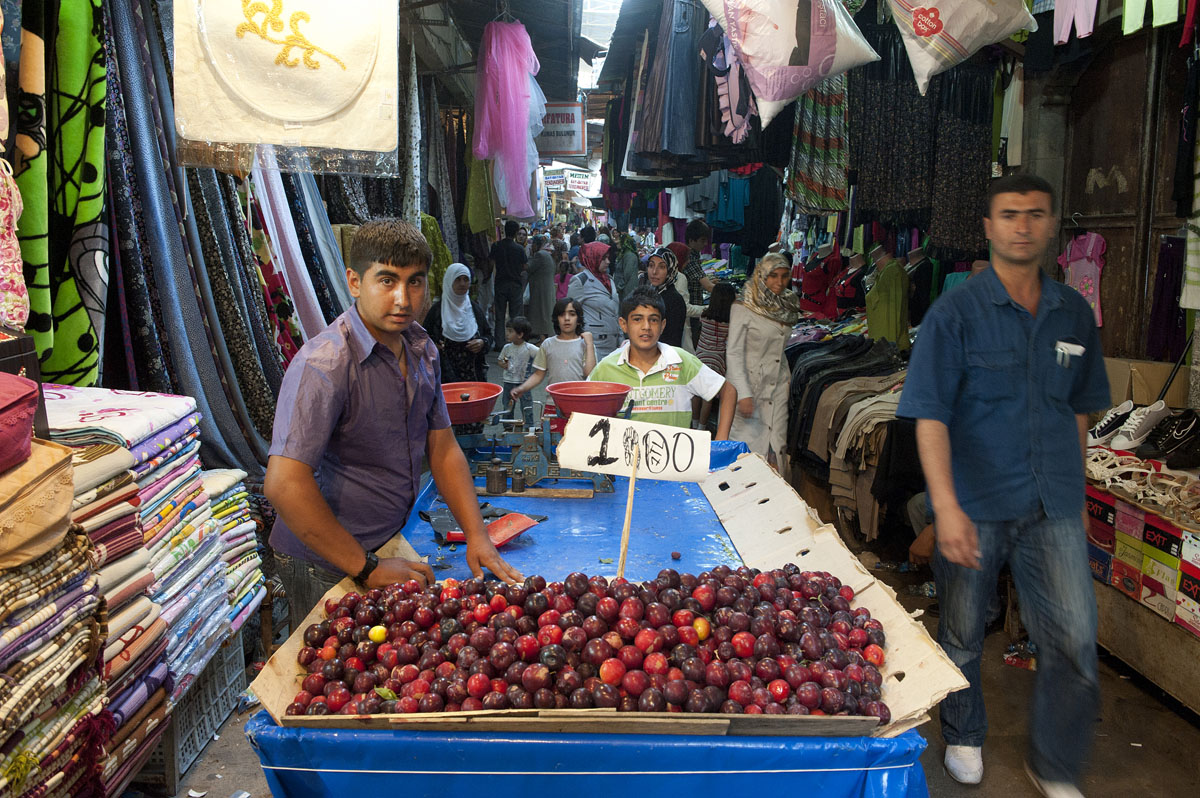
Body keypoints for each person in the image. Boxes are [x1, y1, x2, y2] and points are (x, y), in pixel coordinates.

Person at [896, 174, 1109, 797]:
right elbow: (930, 417)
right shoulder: (954, 314)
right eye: (1010, 214)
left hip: (1054, 503)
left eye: (1036, 214)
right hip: (977, 504)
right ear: (988, 227)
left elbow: (1078, 413)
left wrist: (1082, 494)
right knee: (963, 632)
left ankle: (1056, 763)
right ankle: (964, 733)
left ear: (1050, 224)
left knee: (1072, 638)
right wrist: (946, 509)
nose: (1023, 225)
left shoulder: (1074, 312)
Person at [264, 220, 521, 630]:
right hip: (324, 561)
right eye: (387, 280)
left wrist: (477, 535)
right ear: (354, 281)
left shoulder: (422, 350)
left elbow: (443, 447)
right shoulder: (325, 364)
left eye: (414, 282)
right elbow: (284, 484)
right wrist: (366, 567)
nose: (403, 299)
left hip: (387, 544)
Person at [590, 287, 736, 438]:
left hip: (675, 459)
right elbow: (584, 408)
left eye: (653, 320)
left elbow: (728, 391)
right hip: (624, 458)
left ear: (663, 325)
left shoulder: (681, 361)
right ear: (623, 324)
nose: (646, 327)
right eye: (637, 319)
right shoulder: (606, 367)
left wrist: (721, 439)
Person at [726, 253, 802, 470]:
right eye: (773, 276)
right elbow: (733, 353)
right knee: (746, 451)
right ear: (762, 275)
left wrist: (786, 378)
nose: (779, 282)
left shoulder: (787, 304)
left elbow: (779, 349)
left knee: (777, 447)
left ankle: (773, 501)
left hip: (777, 387)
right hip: (750, 387)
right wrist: (743, 393)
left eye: (784, 276)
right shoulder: (744, 306)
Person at [511, 298, 596, 431]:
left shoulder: (585, 344)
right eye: (562, 314)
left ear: (579, 319)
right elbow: (539, 374)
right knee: (552, 445)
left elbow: (590, 373)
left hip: (580, 405)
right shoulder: (548, 344)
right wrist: (522, 388)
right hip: (554, 405)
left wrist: (590, 344)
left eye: (572, 314)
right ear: (556, 319)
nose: (567, 318)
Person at [424, 263, 492, 384]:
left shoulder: (475, 309)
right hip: (444, 380)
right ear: (449, 281)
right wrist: (434, 346)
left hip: (474, 378)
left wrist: (482, 342)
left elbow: (488, 335)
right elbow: (423, 340)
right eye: (458, 279)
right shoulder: (436, 312)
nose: (462, 283)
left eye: (466, 279)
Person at [567, 241, 622, 361]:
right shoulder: (580, 281)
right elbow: (570, 314)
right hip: (593, 345)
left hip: (614, 344)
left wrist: (621, 339)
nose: (608, 262)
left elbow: (615, 312)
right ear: (594, 258)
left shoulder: (609, 280)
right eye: (604, 258)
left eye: (608, 258)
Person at [695, 281, 736, 431]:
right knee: (708, 397)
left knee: (696, 393)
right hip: (717, 361)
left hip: (699, 358)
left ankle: (693, 424)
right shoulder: (729, 323)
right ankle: (702, 427)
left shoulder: (704, 316)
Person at [490, 220, 527, 350]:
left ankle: (499, 343)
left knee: (499, 315)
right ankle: (515, 341)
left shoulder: (496, 246)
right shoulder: (519, 249)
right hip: (515, 284)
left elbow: (491, 265)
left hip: (500, 283)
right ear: (516, 232)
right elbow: (524, 267)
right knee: (515, 315)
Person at [639, 247, 687, 348]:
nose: (654, 272)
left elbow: (673, 341)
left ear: (670, 270)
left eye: (661, 267)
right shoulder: (650, 293)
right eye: (651, 265)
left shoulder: (674, 300)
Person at [681, 219, 717, 344]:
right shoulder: (690, 259)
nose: (705, 244)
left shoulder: (694, 257)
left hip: (694, 308)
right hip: (691, 311)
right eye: (702, 240)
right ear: (691, 240)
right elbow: (708, 287)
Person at [498, 316, 538, 426]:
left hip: (524, 383)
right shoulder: (506, 348)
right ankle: (507, 426)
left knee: (526, 405)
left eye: (510, 331)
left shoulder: (529, 348)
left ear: (520, 334)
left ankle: (529, 426)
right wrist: (503, 364)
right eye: (507, 331)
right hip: (508, 381)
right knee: (507, 405)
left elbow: (542, 356)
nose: (507, 334)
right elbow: (500, 360)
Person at [526, 235, 557, 340]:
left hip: (540, 289)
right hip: (546, 288)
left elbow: (528, 267)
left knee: (542, 312)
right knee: (545, 312)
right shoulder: (547, 255)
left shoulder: (540, 254)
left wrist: (529, 256)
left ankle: (543, 335)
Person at [613, 232, 641, 302]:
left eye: (620, 242)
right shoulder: (625, 254)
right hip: (624, 290)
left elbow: (627, 274)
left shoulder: (630, 256)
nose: (618, 244)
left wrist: (618, 288)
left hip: (627, 290)